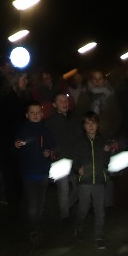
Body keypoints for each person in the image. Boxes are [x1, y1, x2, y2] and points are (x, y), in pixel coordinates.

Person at [68, 112, 115, 245]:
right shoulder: (79, 141)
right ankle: (79, 228)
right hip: (85, 182)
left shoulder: (103, 140)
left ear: (98, 125)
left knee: (100, 210)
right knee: (83, 209)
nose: (91, 126)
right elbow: (75, 160)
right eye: (87, 123)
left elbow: (106, 162)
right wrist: (78, 168)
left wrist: (107, 152)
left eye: (93, 123)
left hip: (99, 181)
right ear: (83, 126)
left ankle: (99, 235)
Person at [14, 101, 56, 239]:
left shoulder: (47, 131)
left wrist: (49, 153)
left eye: (38, 112)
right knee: (32, 203)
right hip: (28, 173)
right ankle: (33, 228)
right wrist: (16, 145)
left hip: (43, 172)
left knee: (41, 202)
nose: (35, 115)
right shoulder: (22, 130)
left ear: (42, 114)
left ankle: (37, 224)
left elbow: (52, 148)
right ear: (27, 115)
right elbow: (15, 149)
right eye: (32, 112)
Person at [45, 92, 81, 222]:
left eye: (65, 100)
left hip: (74, 159)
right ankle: (64, 215)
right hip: (60, 160)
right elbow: (46, 141)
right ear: (54, 104)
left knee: (79, 187)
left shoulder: (74, 119)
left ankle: (65, 207)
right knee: (63, 189)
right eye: (60, 101)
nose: (64, 103)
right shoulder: (50, 122)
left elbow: (79, 138)